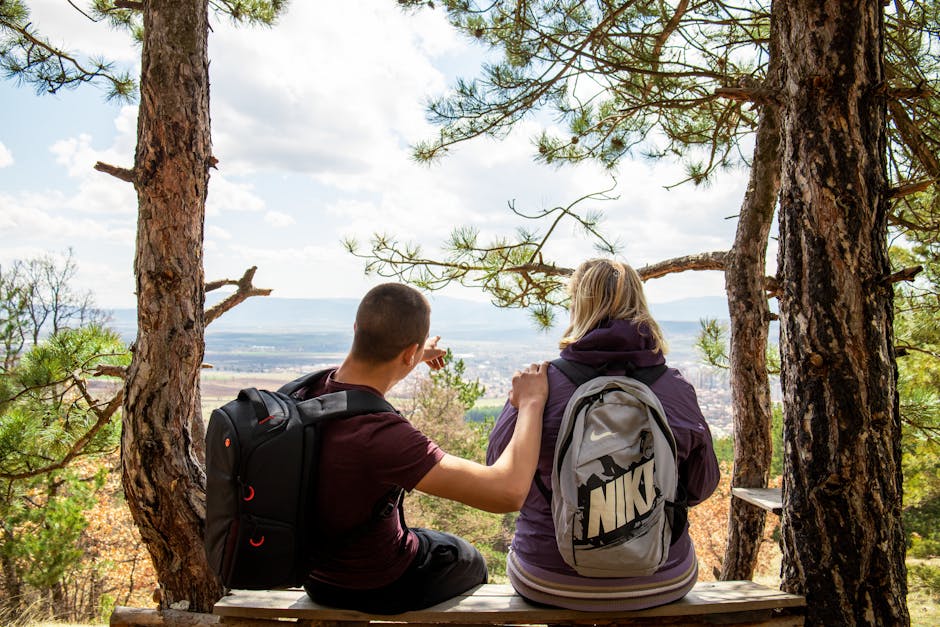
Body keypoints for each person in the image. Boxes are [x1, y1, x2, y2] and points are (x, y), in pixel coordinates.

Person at [295, 282, 549, 614]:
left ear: (356, 329)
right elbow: (507, 493)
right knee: (469, 559)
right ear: (408, 353)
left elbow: (367, 373)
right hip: (371, 583)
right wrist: (531, 403)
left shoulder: (308, 391)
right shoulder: (382, 435)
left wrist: (414, 355)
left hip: (313, 574)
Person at [486, 258, 721, 611]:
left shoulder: (540, 385)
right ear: (640, 304)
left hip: (548, 577)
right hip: (660, 578)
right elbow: (702, 485)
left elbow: (498, 467)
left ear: (577, 305)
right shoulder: (674, 389)